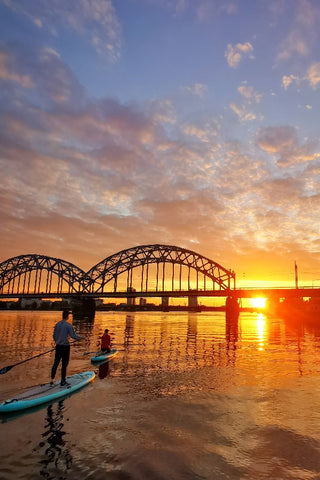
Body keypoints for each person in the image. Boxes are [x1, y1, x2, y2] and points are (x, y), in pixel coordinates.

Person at [50, 310, 82, 387]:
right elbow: (73, 336)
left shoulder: (57, 324)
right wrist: (80, 338)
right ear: (67, 316)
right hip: (65, 347)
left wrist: (57, 342)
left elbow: (54, 336)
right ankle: (63, 381)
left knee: (56, 363)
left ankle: (51, 380)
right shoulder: (68, 325)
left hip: (58, 346)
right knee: (64, 364)